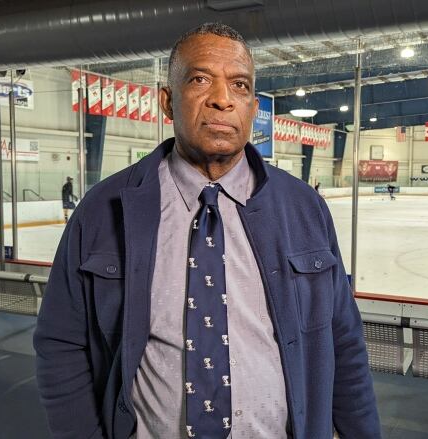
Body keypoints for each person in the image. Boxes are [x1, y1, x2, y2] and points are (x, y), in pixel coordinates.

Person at [34, 23, 380, 439]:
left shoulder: (304, 208)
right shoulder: (103, 209)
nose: (221, 99)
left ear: (253, 107)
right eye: (200, 80)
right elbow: (61, 343)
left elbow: (343, 341)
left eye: (239, 85)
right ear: (167, 101)